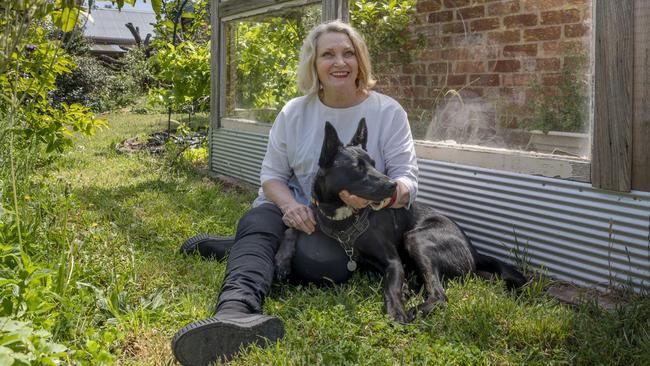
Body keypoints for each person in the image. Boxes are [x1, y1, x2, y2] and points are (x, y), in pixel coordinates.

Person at [171, 20, 418, 365]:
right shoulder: (294, 112)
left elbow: (407, 179)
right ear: (313, 64)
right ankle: (236, 311)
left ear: (360, 61)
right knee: (259, 218)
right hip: (295, 209)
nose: (340, 62)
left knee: (318, 265)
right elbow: (271, 177)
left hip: (351, 224)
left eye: (349, 53)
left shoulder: (387, 112)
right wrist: (289, 207)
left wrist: (382, 198)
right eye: (328, 54)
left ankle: (241, 246)